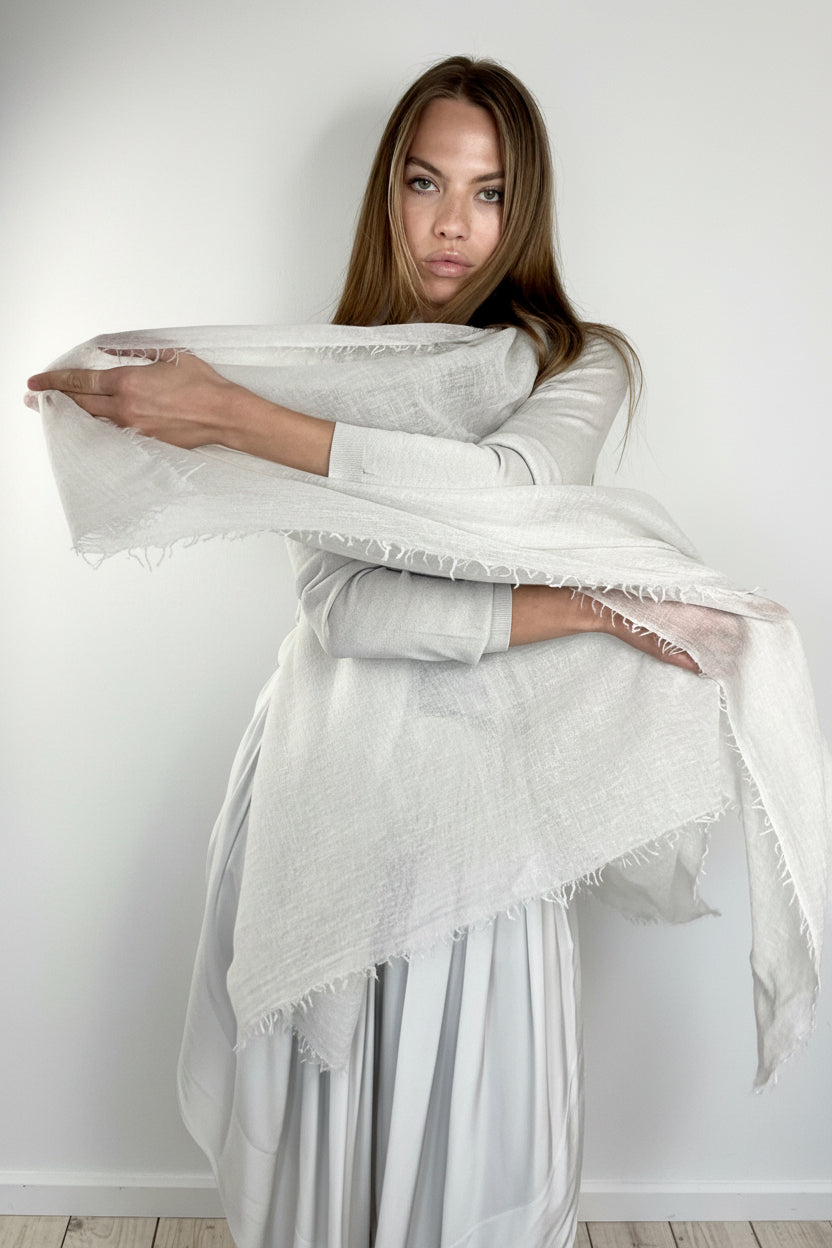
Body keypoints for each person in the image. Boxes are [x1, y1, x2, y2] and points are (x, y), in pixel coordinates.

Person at [28, 56, 701, 1248]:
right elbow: (350, 612)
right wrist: (577, 607)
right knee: (333, 1148)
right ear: (386, 193)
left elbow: (504, 491)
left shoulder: (572, 363)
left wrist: (238, 417)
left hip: (487, 808)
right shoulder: (343, 374)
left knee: (483, 1131)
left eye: (490, 194)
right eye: (426, 181)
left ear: (525, 208)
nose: (453, 224)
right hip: (334, 789)